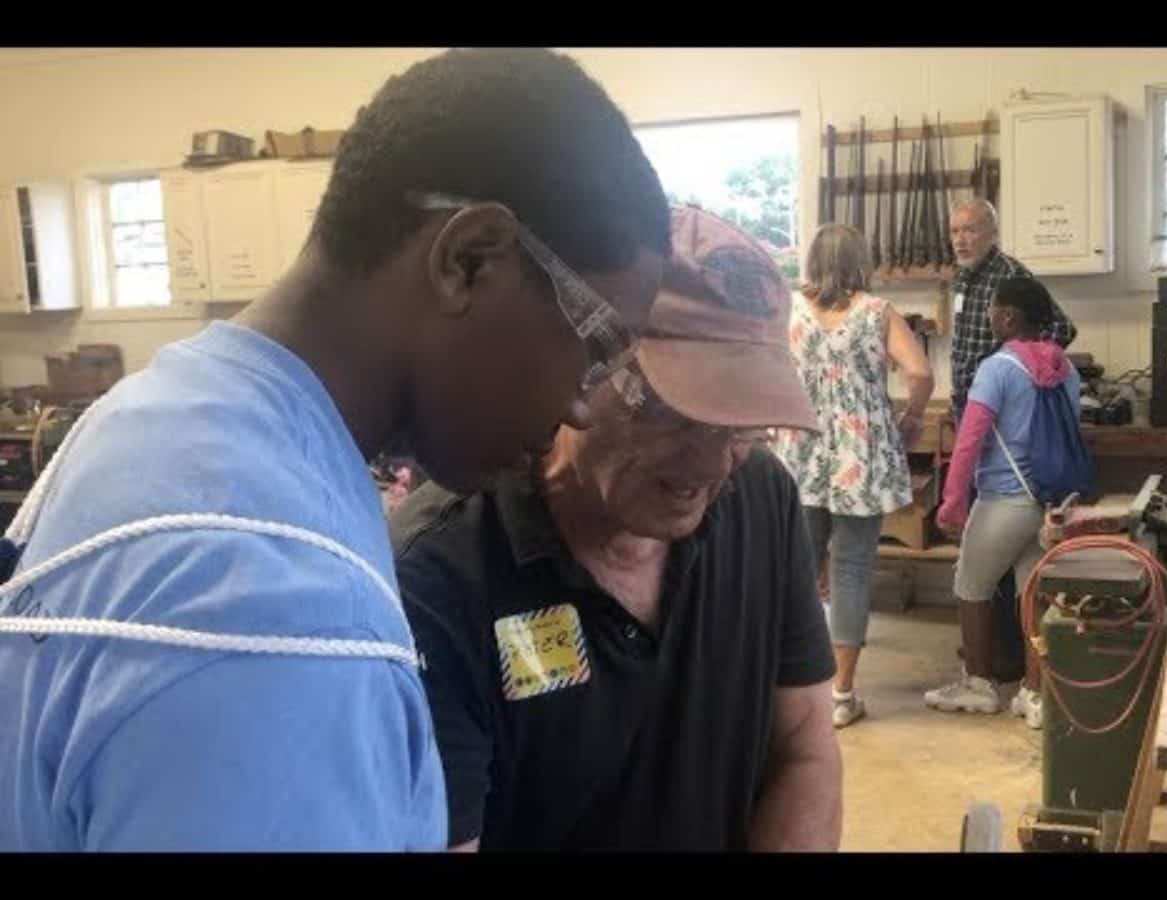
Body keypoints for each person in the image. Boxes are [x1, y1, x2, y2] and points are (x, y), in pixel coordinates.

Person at [0, 48, 670, 851]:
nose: (579, 408)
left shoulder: (153, 417)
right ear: (470, 259)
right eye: (594, 347)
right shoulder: (279, 610)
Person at [390, 206, 841, 852]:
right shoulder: (439, 577)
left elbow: (803, 749)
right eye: (682, 415)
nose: (714, 464)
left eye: (742, 424)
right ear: (580, 364)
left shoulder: (761, 499)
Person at [775, 223, 933, 728]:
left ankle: (791, 689)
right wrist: (909, 418)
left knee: (797, 568)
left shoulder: (788, 309)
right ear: (860, 260)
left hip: (800, 444)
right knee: (851, 570)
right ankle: (841, 694)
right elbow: (921, 373)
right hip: (859, 453)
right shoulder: (876, 312)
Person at [926, 277, 1082, 727]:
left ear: (1009, 317)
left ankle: (978, 684)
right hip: (1047, 501)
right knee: (1031, 592)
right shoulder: (1065, 369)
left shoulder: (997, 368)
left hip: (1001, 499)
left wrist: (953, 500)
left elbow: (970, 438)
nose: (989, 316)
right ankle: (1035, 694)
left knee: (970, 586)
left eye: (993, 309)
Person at [949, 198, 1076, 423]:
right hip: (967, 403)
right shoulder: (962, 277)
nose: (960, 240)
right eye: (954, 231)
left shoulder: (1010, 275)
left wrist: (1018, 376)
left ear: (993, 233)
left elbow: (1062, 329)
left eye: (969, 230)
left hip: (1003, 406)